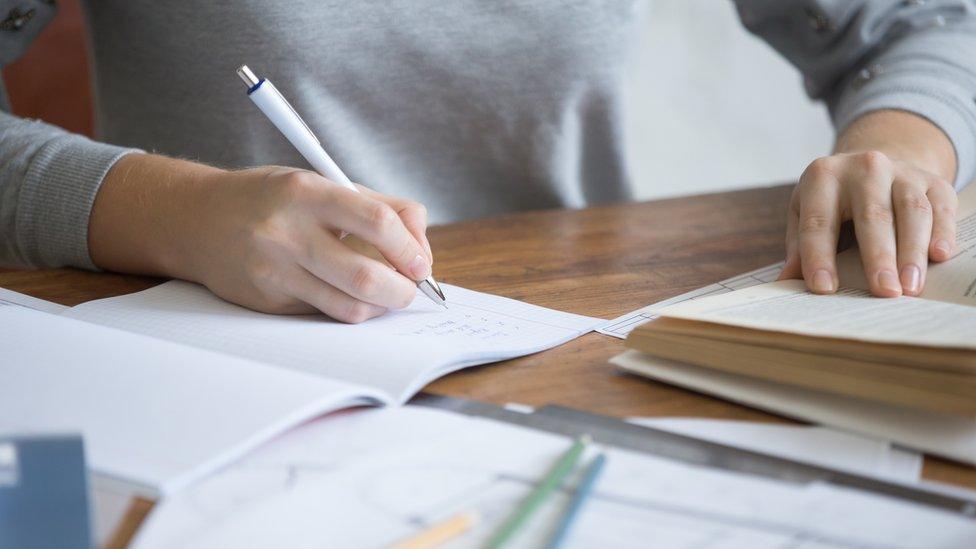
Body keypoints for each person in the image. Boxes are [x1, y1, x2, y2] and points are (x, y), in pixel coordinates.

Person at [1, 1, 973, 323]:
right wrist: (175, 210)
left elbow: (916, 24)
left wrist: (895, 145)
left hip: (575, 335)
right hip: (222, 355)